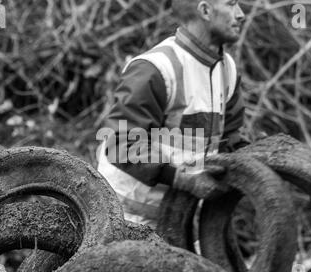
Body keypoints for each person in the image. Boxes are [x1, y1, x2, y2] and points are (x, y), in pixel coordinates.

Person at [97, 0, 250, 229]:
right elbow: (120, 143)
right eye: (231, 4)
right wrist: (181, 177)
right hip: (125, 220)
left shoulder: (227, 69)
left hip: (179, 220)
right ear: (205, 10)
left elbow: (231, 139)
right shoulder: (156, 68)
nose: (241, 14)